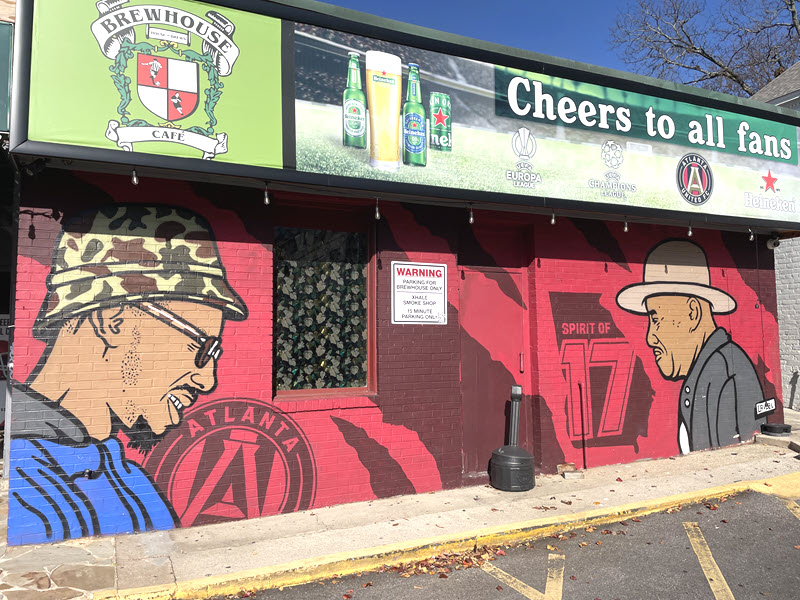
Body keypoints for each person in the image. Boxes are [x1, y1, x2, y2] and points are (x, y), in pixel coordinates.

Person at [8, 205, 248, 545]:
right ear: (113, 322)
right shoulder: (27, 488)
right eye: (202, 347)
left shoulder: (124, 475)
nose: (207, 380)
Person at [616, 239, 765, 455]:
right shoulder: (707, 373)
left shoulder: (724, 374)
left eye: (655, 319)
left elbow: (733, 460)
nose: (650, 338)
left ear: (693, 312)